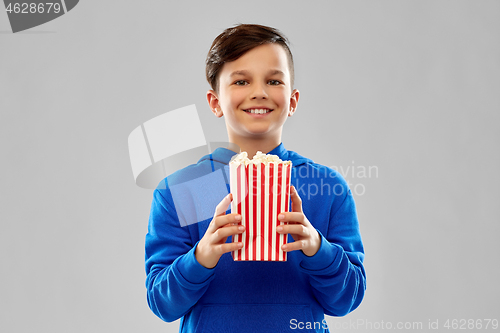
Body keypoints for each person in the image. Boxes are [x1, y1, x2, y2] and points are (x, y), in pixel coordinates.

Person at [145, 24, 366, 333]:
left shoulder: (328, 188)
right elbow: (162, 303)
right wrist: (201, 256)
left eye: (274, 80)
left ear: (293, 100)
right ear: (214, 102)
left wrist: (318, 248)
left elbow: (347, 299)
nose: (259, 92)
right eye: (241, 81)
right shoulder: (180, 190)